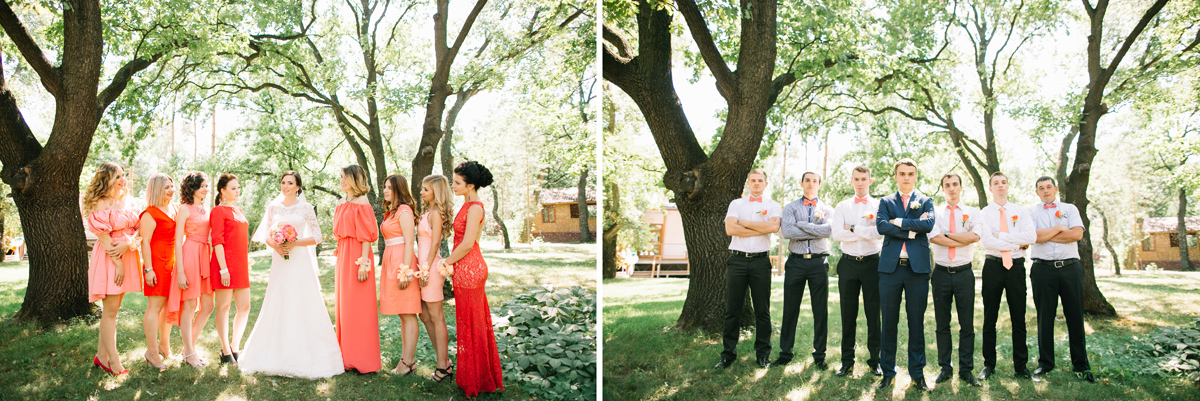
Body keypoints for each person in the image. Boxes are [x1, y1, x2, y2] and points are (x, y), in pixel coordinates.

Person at [237, 171, 344, 378]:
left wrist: (295, 243)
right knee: (278, 298)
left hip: (300, 260)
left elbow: (318, 237)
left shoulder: (306, 208)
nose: (285, 186)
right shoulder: (273, 207)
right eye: (283, 182)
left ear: (298, 187)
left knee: (302, 299)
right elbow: (267, 235)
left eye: (290, 183)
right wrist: (277, 246)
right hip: (280, 260)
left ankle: (308, 350)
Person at [441, 161, 504, 396]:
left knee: (472, 324)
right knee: (467, 323)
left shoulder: (475, 207)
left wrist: (446, 262)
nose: (453, 186)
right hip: (464, 267)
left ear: (470, 186)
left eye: (457, 183)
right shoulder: (467, 205)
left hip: (470, 269)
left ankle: (477, 379)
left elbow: (468, 243)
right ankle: (472, 375)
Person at [874, 158, 935, 392]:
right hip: (890, 270)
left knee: (916, 323)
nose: (906, 177)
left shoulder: (926, 200)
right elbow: (881, 226)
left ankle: (918, 374)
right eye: (902, 173)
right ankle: (888, 373)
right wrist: (910, 231)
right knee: (888, 322)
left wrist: (898, 222)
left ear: (915, 176)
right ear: (896, 176)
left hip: (917, 270)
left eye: (910, 173)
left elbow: (928, 225)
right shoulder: (886, 201)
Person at [1028, 176, 1095, 382]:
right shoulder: (1031, 213)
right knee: (1044, 317)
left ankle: (1081, 365)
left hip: (1070, 269)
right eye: (1041, 188)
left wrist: (1045, 235)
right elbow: (1032, 237)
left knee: (1075, 316)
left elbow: (1076, 235)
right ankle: (1045, 364)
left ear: (1055, 189)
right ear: (1037, 192)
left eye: (1049, 187)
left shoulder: (1070, 209)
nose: (1045, 190)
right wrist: (1058, 229)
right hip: (1042, 269)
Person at [715, 169, 781, 369]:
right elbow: (730, 229)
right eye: (753, 180)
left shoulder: (773, 205)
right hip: (737, 261)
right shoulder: (736, 204)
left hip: (761, 262)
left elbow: (773, 228)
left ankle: (763, 355)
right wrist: (760, 227)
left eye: (760, 180)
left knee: (763, 311)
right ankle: (728, 355)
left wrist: (744, 224)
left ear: (766, 184)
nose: (757, 183)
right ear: (748, 183)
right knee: (732, 310)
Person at [83, 162, 143, 376]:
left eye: (123, 175)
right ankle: (113, 362)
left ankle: (101, 356)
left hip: (128, 254)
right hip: (110, 259)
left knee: (113, 310)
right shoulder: (100, 203)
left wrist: (129, 243)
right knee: (109, 312)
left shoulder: (129, 201)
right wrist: (118, 265)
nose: (122, 179)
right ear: (106, 179)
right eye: (117, 176)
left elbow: (140, 229)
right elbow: (104, 238)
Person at [977, 172, 1036, 381]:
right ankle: (988, 365)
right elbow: (986, 241)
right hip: (993, 266)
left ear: (1008, 186)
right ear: (990, 188)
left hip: (1016, 267)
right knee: (989, 317)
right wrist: (1016, 244)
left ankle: (1021, 366)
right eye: (996, 183)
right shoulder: (984, 213)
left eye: (1003, 182)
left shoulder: (1021, 211)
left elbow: (1031, 236)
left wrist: (1001, 237)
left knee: (1018, 317)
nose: (1000, 186)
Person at [927, 173, 983, 386]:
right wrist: (962, 237)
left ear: (961, 187)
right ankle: (945, 368)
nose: (951, 188)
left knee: (966, 323)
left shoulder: (973, 212)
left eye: (955, 184)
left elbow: (975, 237)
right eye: (947, 185)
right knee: (942, 323)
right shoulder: (933, 213)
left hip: (964, 273)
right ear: (942, 189)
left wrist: (947, 235)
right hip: (941, 273)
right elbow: (934, 238)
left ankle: (966, 370)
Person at [828, 166, 883, 377]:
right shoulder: (842, 206)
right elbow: (836, 235)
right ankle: (846, 362)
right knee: (847, 313)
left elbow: (880, 233)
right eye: (856, 179)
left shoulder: (879, 206)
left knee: (873, 314)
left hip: (872, 264)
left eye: (863, 179)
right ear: (851, 181)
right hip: (848, 264)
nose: (860, 183)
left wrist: (852, 228)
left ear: (870, 181)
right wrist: (865, 232)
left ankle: (875, 361)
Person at [776, 172, 834, 369]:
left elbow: (828, 231)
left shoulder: (827, 209)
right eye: (807, 180)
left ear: (819, 185)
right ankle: (785, 353)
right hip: (796, 263)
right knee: (790, 308)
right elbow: (787, 232)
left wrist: (800, 225)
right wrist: (814, 231)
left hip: (818, 263)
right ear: (801, 183)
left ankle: (820, 355)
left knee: (820, 310)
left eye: (814, 181)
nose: (811, 183)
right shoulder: (790, 208)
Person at [332, 165, 382, 373]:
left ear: (355, 179)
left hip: (358, 255)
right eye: (341, 177)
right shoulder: (341, 202)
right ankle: (345, 355)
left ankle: (362, 358)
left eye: (345, 178)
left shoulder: (362, 203)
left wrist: (363, 263)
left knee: (359, 306)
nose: (342, 181)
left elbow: (366, 236)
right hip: (343, 254)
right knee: (345, 305)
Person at [167, 171, 214, 368]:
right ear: (192, 187)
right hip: (190, 255)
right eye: (202, 186)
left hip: (205, 255)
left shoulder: (205, 208)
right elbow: (178, 241)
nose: (205, 189)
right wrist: (181, 272)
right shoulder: (184, 209)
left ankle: (188, 349)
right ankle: (190, 353)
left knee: (208, 305)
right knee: (189, 305)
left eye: (206, 186)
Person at [377, 174, 420, 375]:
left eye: (389, 187)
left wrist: (405, 271)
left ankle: (408, 362)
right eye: (384, 187)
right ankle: (406, 360)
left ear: (398, 190)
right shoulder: (392, 211)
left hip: (402, 262)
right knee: (403, 313)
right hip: (391, 260)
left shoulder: (404, 211)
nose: (385, 190)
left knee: (409, 312)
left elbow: (409, 241)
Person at [210, 174, 251, 364]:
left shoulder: (238, 209)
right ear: (223, 191)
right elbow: (217, 241)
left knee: (244, 307)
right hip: (224, 265)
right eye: (233, 188)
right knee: (224, 307)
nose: (237, 191)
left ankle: (235, 346)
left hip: (240, 265)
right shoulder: (218, 211)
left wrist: (245, 259)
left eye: (238, 187)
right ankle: (225, 350)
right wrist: (223, 269)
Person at [417, 175, 454, 381]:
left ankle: (443, 365)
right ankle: (444, 360)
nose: (421, 192)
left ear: (436, 192)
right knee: (424, 315)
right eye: (422, 189)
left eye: (426, 189)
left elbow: (435, 244)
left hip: (430, 267)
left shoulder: (436, 214)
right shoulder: (427, 212)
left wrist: (425, 269)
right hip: (422, 266)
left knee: (436, 316)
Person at [138, 173, 176, 370]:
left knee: (168, 307)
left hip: (172, 264)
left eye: (171, 186)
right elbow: (144, 242)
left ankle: (164, 346)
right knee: (154, 307)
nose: (171, 190)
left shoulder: (173, 208)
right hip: (157, 265)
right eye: (166, 187)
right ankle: (152, 352)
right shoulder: (149, 213)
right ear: (156, 189)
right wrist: (148, 269)